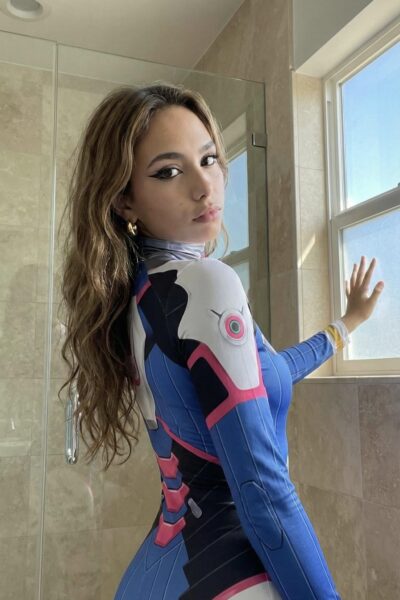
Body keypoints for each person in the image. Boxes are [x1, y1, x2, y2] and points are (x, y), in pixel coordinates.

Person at [60, 82, 384, 600]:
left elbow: (266, 371)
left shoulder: (140, 293)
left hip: (155, 573)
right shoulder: (205, 283)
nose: (205, 187)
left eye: (209, 159)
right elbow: (262, 491)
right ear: (124, 199)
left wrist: (347, 324)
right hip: (231, 574)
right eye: (169, 171)